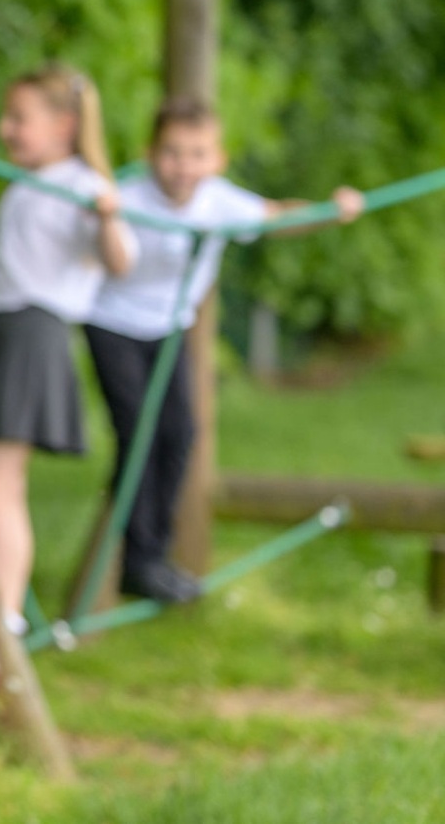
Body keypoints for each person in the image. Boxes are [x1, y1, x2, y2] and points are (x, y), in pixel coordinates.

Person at [82, 96, 363, 603]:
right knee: (138, 433)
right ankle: (138, 561)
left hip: (168, 328)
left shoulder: (219, 201)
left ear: (217, 160)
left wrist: (330, 211)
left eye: (196, 154)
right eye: (171, 153)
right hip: (113, 323)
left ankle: (153, 556)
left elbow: (278, 217)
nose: (183, 167)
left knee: (181, 432)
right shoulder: (127, 197)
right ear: (150, 153)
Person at [0, 64, 134, 631]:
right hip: (12, 328)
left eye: (20, 118)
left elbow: (119, 261)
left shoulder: (80, 185)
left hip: (34, 330)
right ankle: (2, 608)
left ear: (64, 125)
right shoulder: (25, 186)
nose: (7, 129)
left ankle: (3, 612)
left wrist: (108, 220)